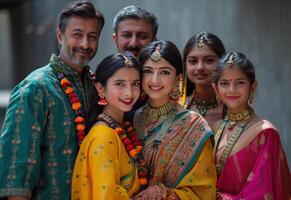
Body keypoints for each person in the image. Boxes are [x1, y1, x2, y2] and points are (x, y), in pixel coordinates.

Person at [0, 1, 104, 199]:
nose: (85, 44)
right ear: (59, 36)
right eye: (77, 35)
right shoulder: (35, 88)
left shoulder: (97, 87)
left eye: (92, 37)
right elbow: (17, 172)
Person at [133, 40, 216, 199]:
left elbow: (203, 192)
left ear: (178, 77)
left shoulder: (195, 125)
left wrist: (163, 194)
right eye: (148, 71)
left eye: (164, 72)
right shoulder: (132, 118)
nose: (155, 80)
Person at [212, 52, 291, 199]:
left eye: (240, 82)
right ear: (215, 89)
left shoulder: (265, 132)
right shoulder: (216, 128)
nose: (231, 89)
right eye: (224, 83)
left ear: (253, 87)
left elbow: (264, 192)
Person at [71, 52, 147, 199]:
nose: (129, 93)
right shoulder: (103, 137)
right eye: (120, 84)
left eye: (135, 84)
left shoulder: (122, 128)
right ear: (100, 88)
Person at [183, 31, 226, 128]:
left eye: (209, 60)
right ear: (185, 65)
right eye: (193, 61)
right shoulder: (177, 107)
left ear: (221, 64)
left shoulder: (235, 109)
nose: (200, 67)